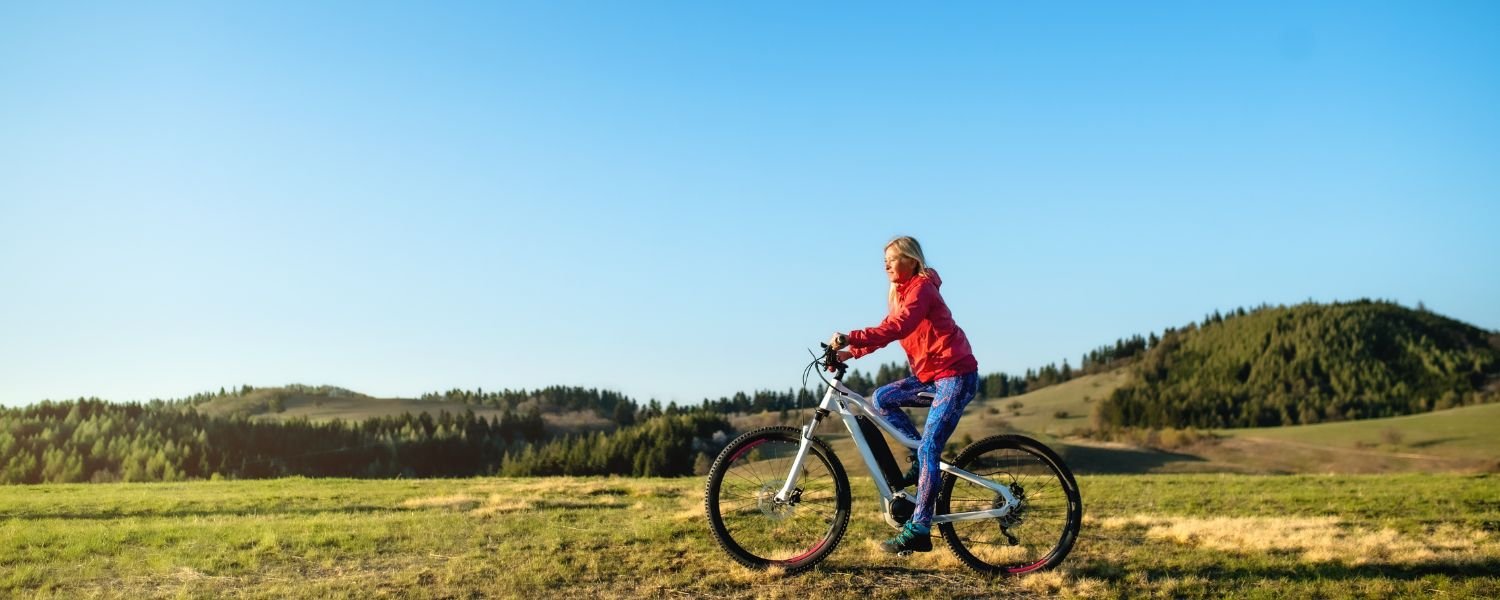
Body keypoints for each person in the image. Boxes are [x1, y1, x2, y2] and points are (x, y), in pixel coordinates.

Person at [827, 235, 979, 554]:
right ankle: (920, 460)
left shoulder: (921, 288)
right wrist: (850, 353)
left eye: (893, 259)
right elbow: (886, 331)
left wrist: (849, 336)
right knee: (882, 399)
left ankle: (920, 528)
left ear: (912, 260)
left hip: (955, 375)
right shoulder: (898, 293)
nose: (887, 265)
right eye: (885, 261)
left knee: (929, 449)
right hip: (930, 377)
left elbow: (899, 327)